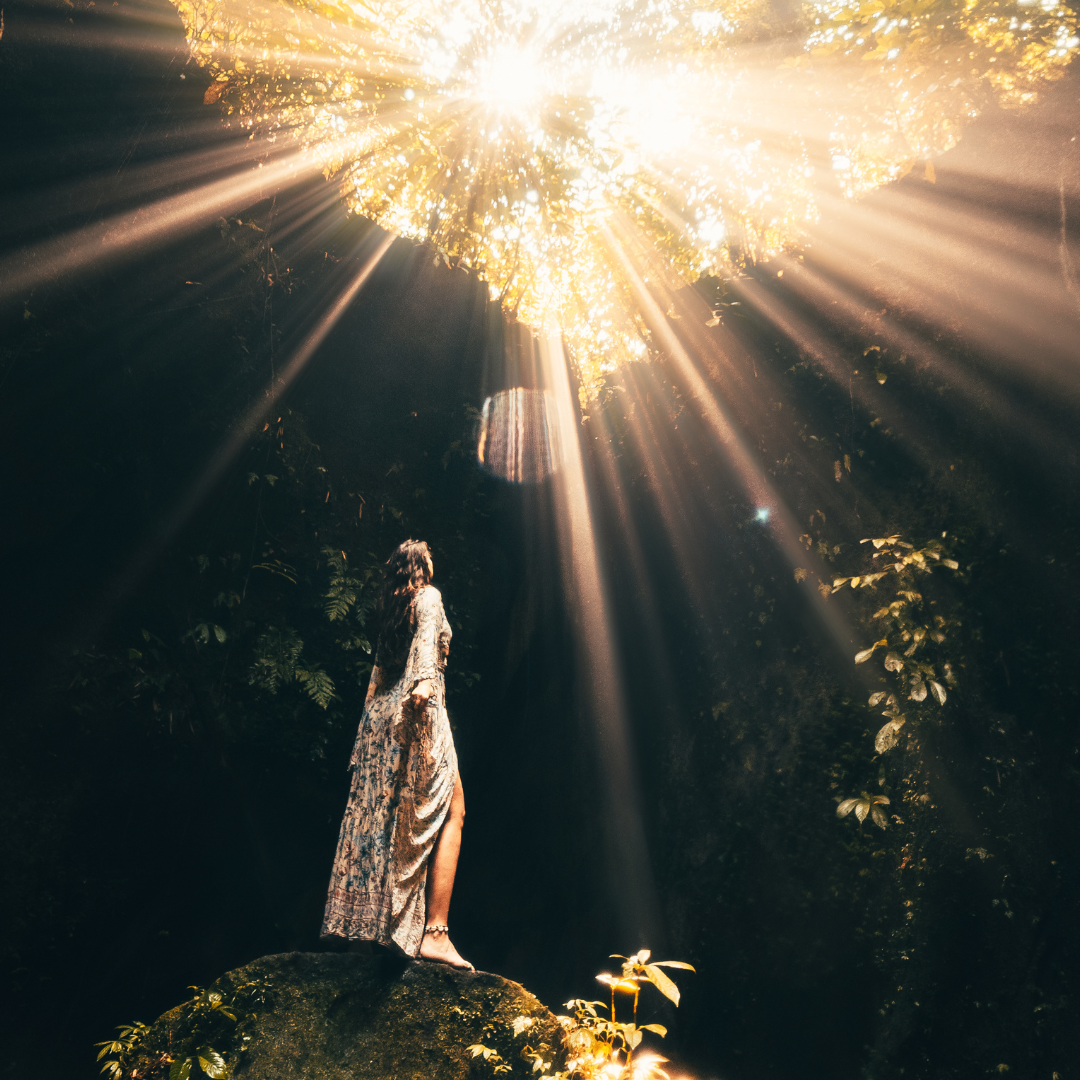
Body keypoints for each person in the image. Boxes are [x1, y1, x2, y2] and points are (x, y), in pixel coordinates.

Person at [321, 539, 472, 969]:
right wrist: (424, 686)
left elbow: (377, 675)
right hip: (418, 713)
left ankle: (363, 931)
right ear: (424, 568)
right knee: (453, 810)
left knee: (384, 818)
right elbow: (427, 646)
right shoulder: (428, 597)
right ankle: (436, 933)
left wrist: (366, 742)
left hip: (380, 723)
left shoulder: (390, 609)